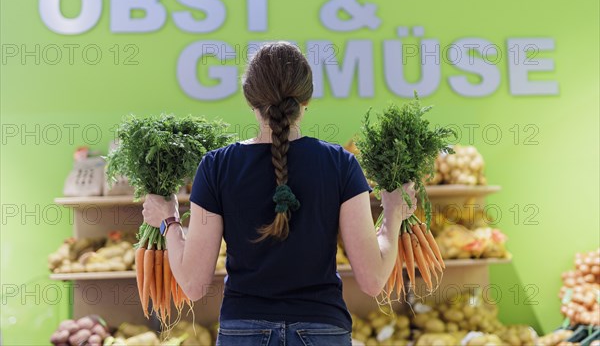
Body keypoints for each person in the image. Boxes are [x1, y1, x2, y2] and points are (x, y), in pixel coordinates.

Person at [142, 41, 417, 346]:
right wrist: (393, 211)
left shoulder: (217, 167)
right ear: (306, 99)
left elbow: (193, 284)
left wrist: (168, 219)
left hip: (242, 330)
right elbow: (373, 280)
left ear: (250, 100)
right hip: (322, 327)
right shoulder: (341, 164)